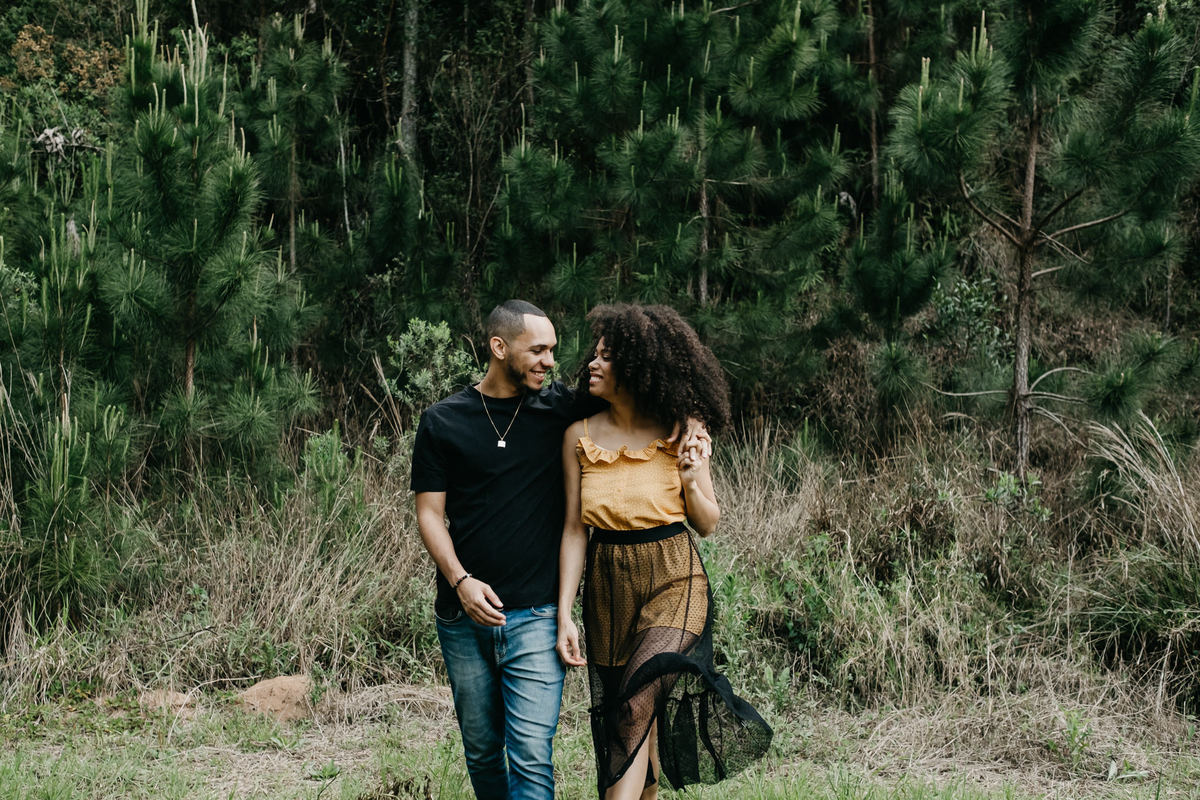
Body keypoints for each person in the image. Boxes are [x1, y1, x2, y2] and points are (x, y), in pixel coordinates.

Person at [410, 299, 708, 800]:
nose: (552, 362)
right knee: (483, 752)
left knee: (533, 754)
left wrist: (692, 420)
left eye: (553, 350)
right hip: (464, 617)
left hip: (537, 612)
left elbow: (649, 382)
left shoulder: (561, 410)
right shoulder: (443, 422)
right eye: (539, 350)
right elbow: (428, 515)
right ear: (499, 348)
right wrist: (461, 582)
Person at [555, 303, 772, 800]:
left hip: (675, 577)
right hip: (608, 588)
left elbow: (708, 523)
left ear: (637, 367)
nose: (593, 363)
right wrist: (565, 614)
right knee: (635, 718)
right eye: (596, 354)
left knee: (633, 707)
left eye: (608, 357)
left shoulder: (679, 431)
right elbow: (573, 530)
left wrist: (694, 476)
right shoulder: (578, 437)